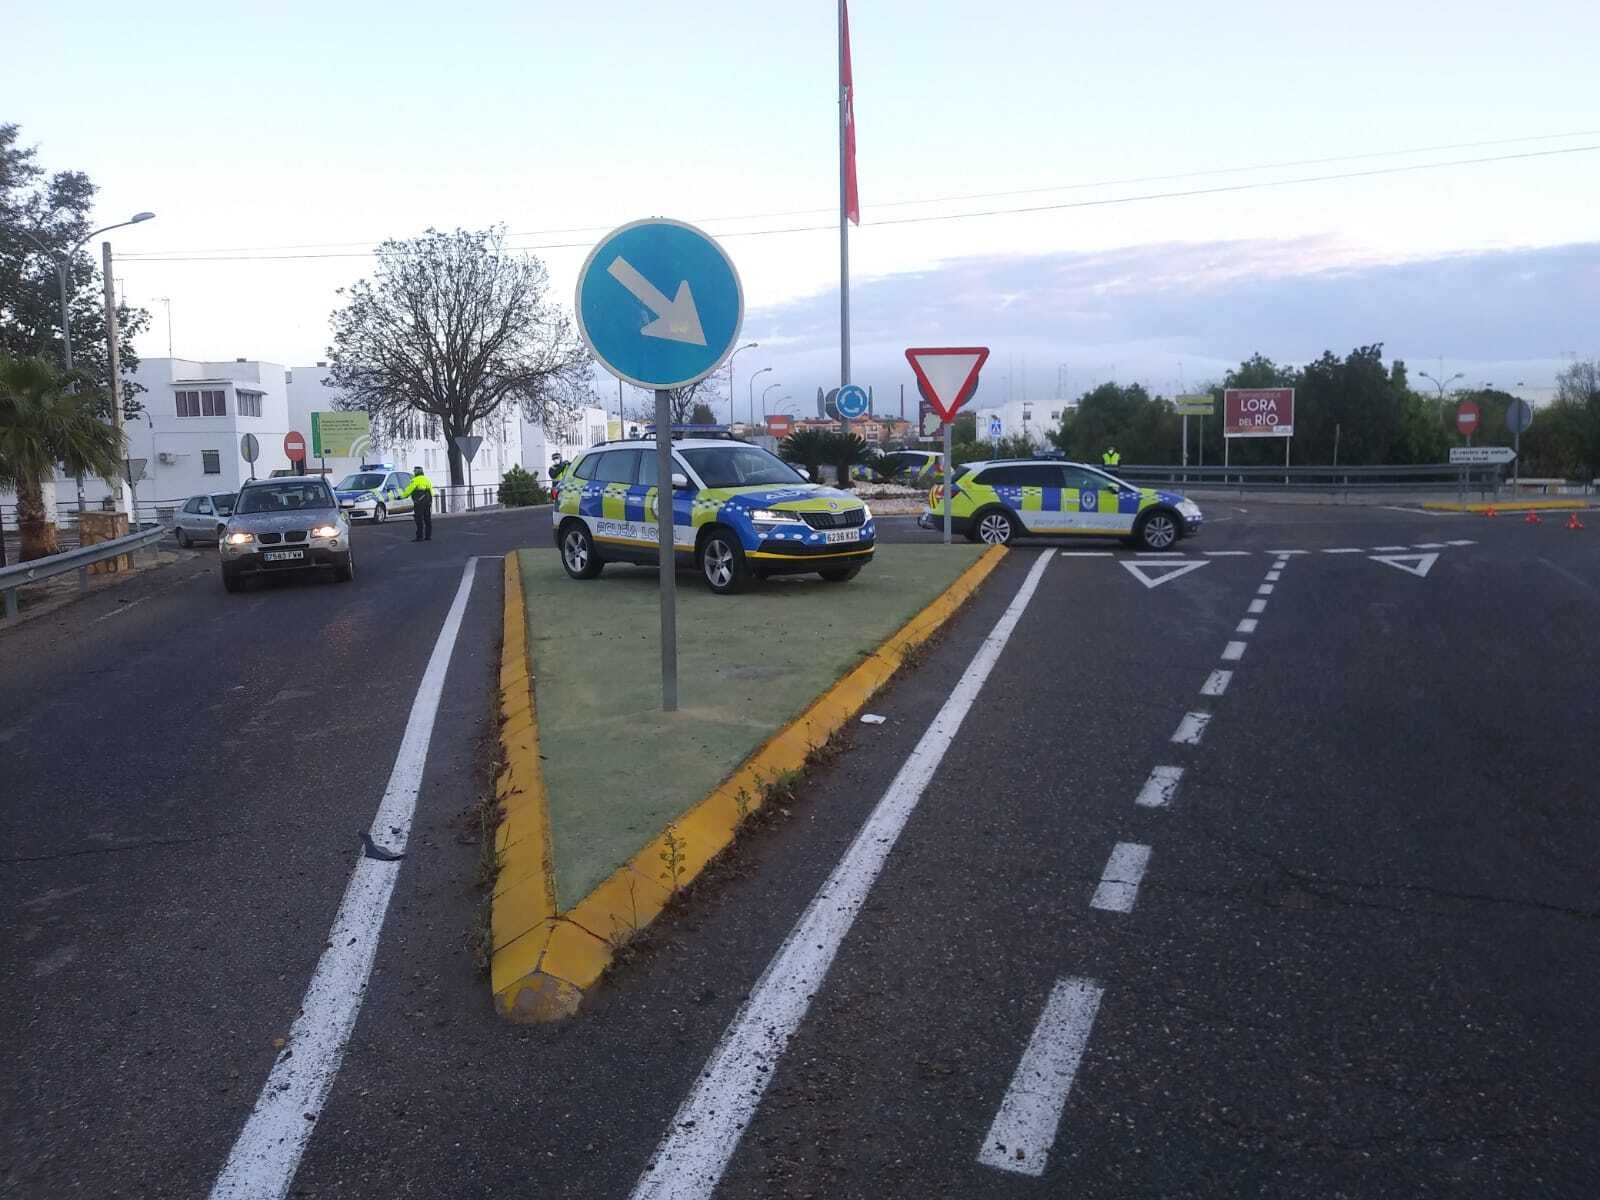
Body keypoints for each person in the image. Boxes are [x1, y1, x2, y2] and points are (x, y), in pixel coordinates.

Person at [401, 467, 434, 541]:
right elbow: (431, 491)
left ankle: (419, 536)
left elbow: (409, 489)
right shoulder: (427, 479)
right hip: (427, 502)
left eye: (414, 471)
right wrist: (430, 501)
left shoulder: (415, 480)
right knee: (427, 519)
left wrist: (402, 496)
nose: (414, 473)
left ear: (416, 472)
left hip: (419, 502)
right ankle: (428, 536)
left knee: (419, 519)